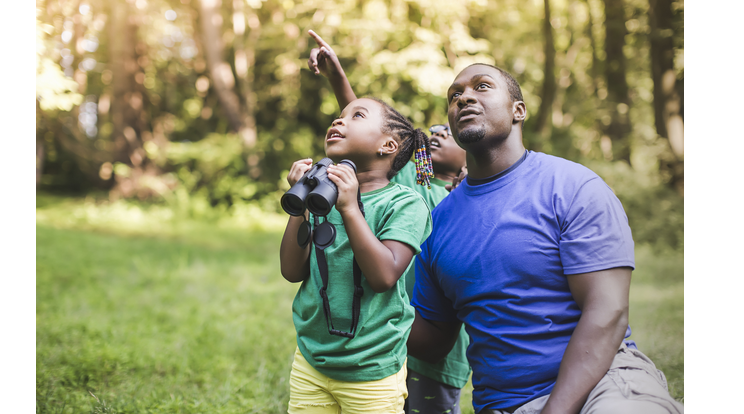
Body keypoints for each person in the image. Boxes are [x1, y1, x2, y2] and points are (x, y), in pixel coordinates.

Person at [407, 63, 684, 414]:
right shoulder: (438, 223)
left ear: (517, 110)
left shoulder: (572, 187)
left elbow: (608, 311)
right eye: (455, 95)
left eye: (482, 87)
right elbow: (433, 341)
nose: (464, 98)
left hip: (604, 384)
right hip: (504, 404)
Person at [307, 29, 471, 414]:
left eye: (450, 133)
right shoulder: (415, 179)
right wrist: (338, 79)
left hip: (436, 344)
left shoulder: (467, 198)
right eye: (435, 129)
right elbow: (372, 139)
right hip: (385, 329)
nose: (437, 132)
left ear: (471, 156)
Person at [280, 91, 434, 412]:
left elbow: (384, 276)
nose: (339, 120)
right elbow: (292, 271)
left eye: (357, 116)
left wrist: (350, 208)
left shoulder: (404, 203)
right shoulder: (322, 196)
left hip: (371, 366)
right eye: (340, 115)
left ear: (387, 145)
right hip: (312, 359)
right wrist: (299, 206)